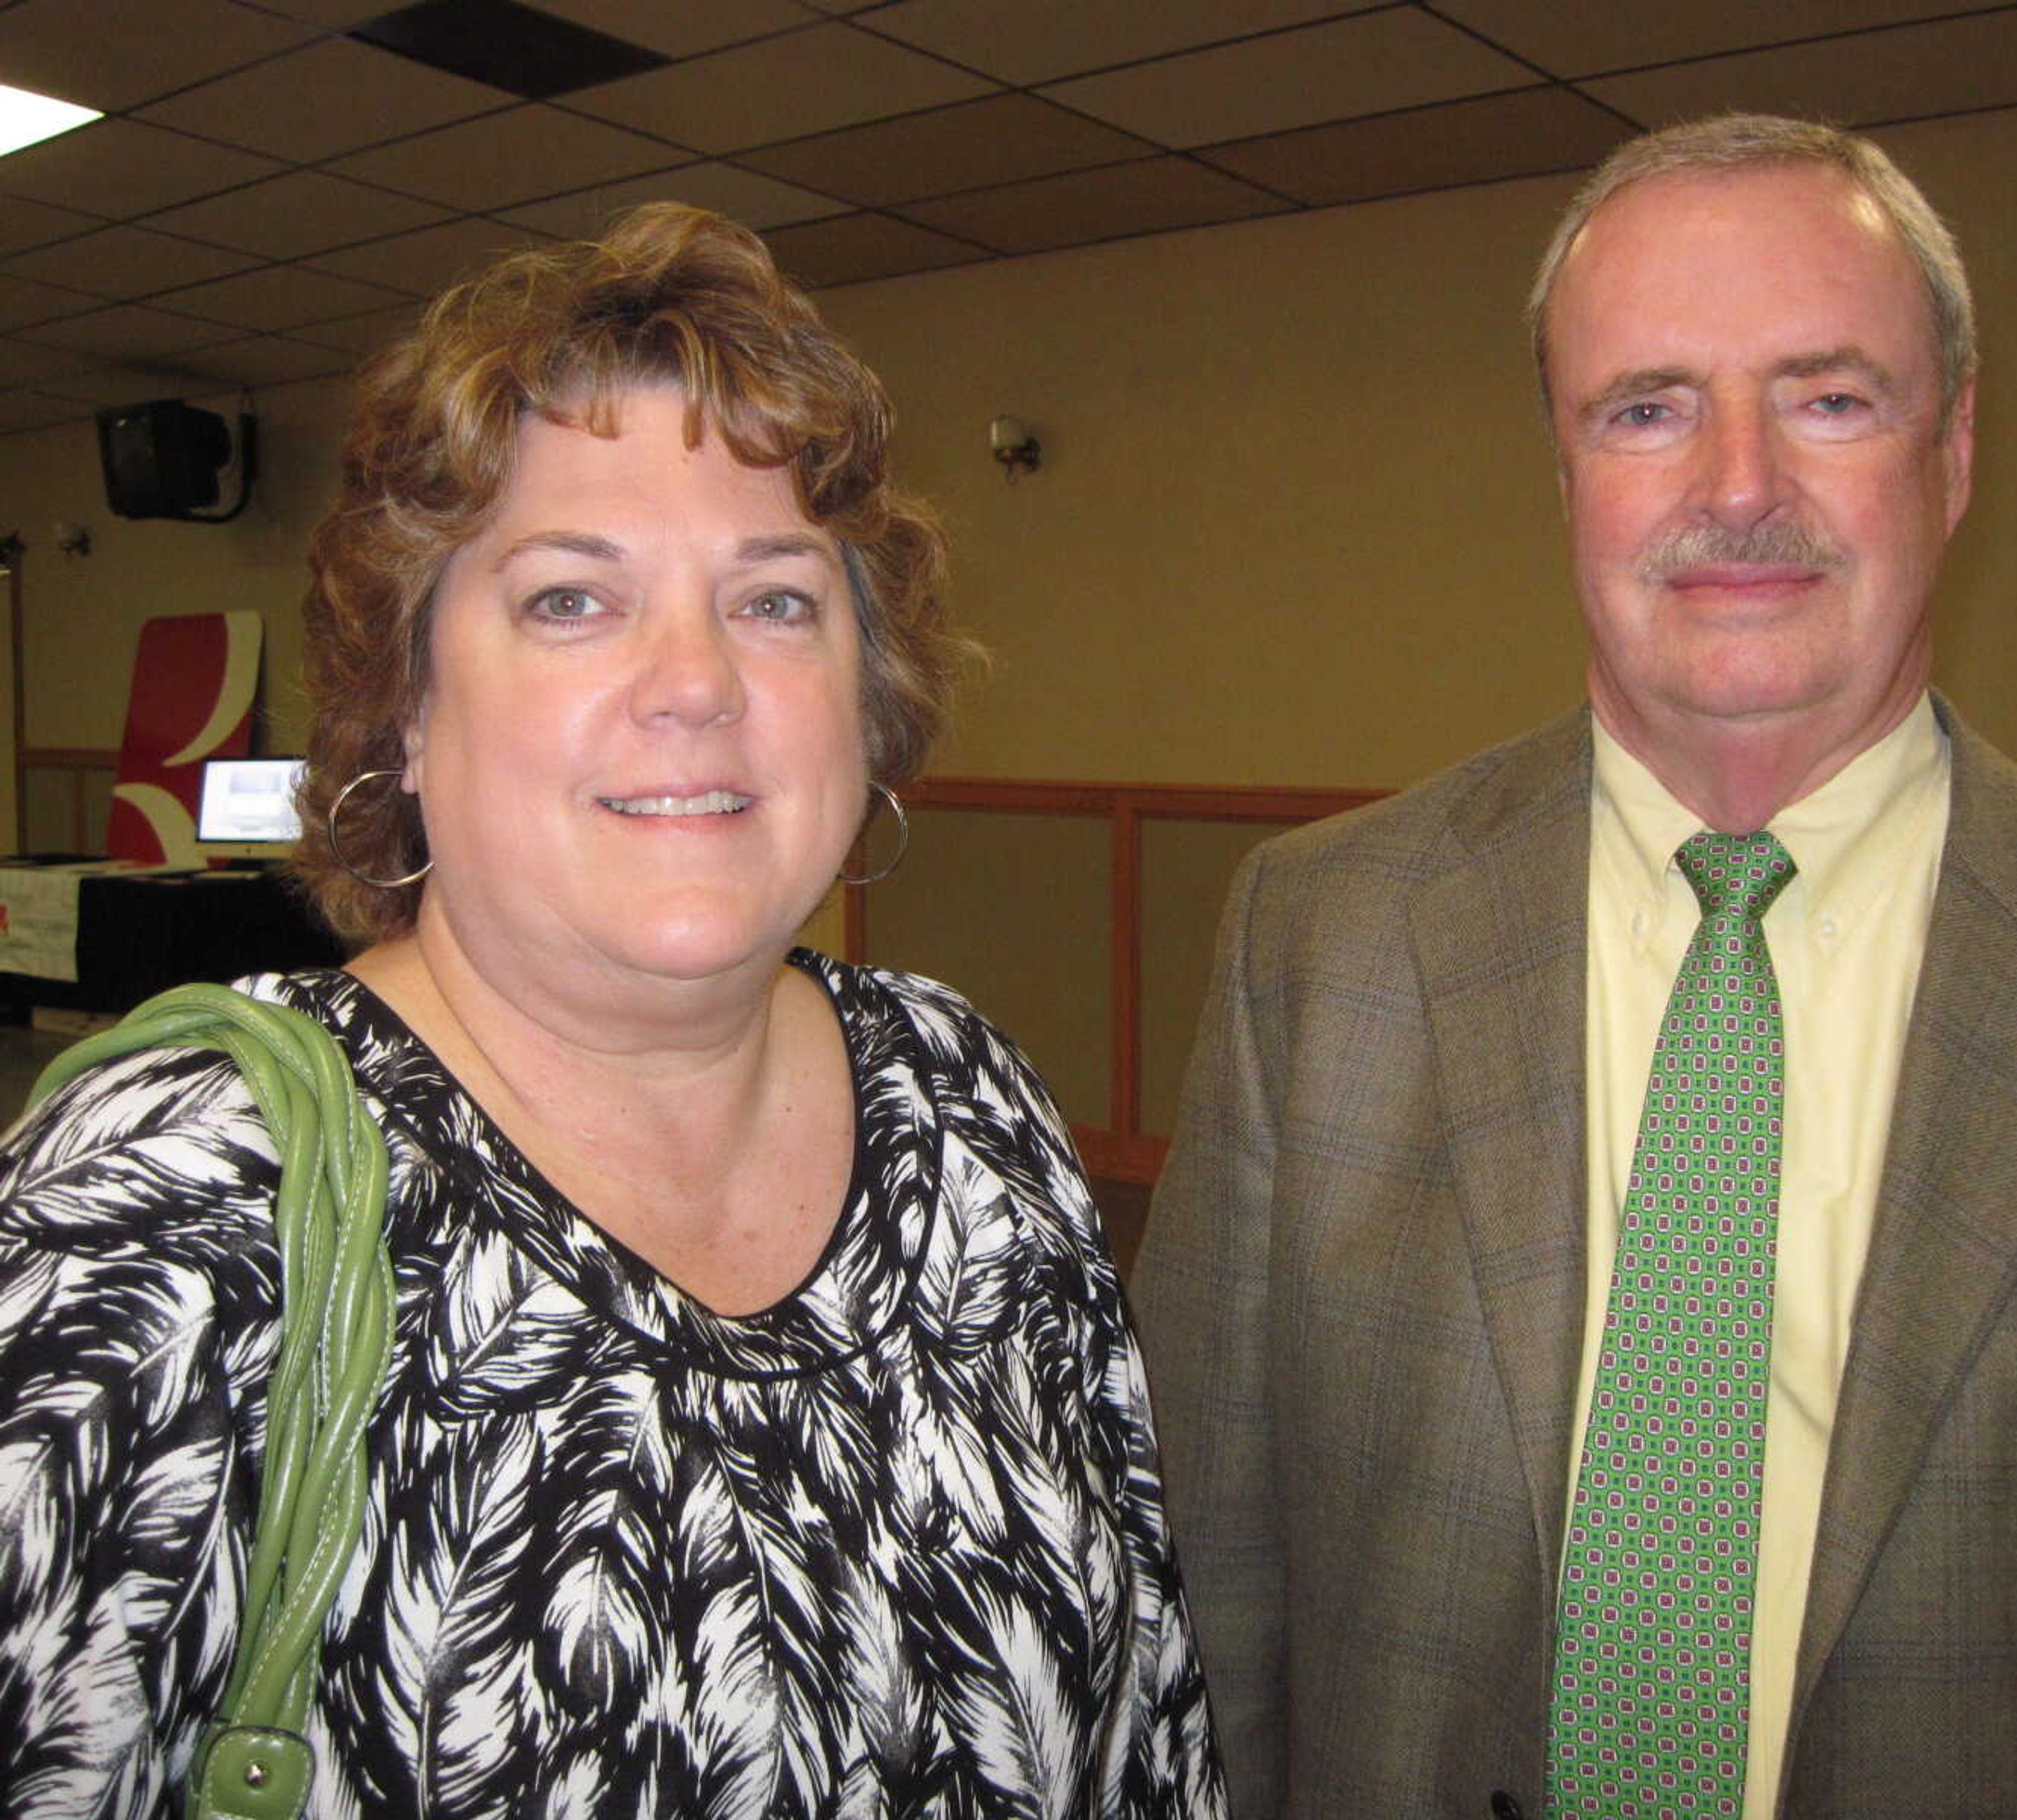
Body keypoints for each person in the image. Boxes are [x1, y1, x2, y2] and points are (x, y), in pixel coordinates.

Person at [1135, 113, 2017, 1819]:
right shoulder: (1317, 947)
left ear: (1953, 456)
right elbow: (1196, 1627)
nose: (1736, 488)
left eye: (1827, 397)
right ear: (1567, 468)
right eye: (1648, 408)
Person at [0, 205, 1226, 1817]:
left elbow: (1152, 1731)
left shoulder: (966, 1102)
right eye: (572, 599)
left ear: (866, 698)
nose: (695, 679)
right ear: (410, 712)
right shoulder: (165, 1200)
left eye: (777, 599)